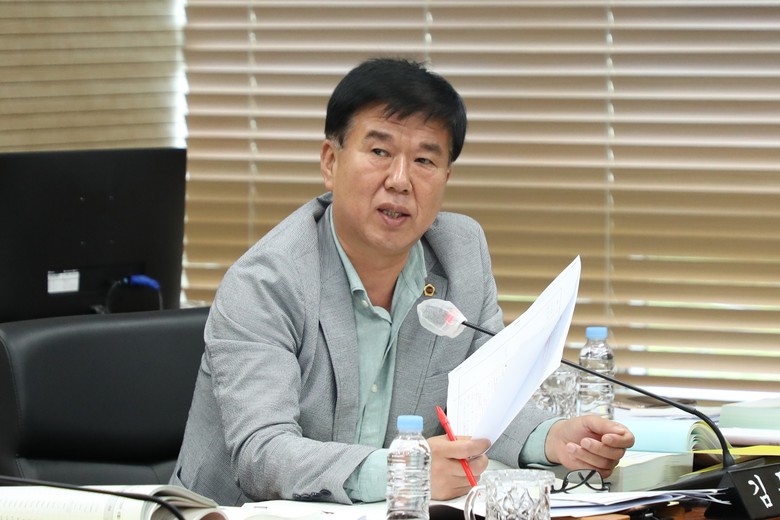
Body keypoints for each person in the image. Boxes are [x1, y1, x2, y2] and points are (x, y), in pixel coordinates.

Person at [171, 57, 634, 506]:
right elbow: (261, 455)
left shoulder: (460, 256)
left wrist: (553, 439)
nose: (400, 180)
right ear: (330, 162)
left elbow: (481, 407)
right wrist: (403, 470)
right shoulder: (266, 283)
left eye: (424, 161)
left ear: (446, 176)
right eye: (379, 152)